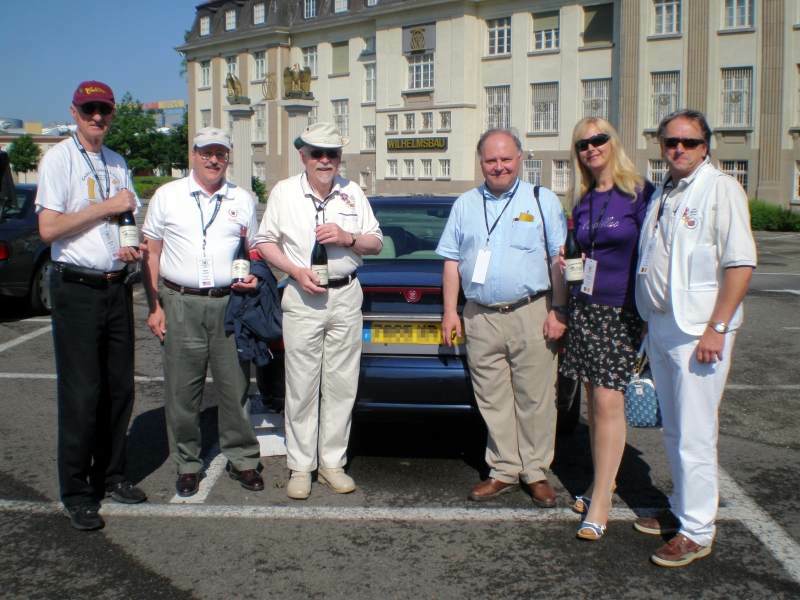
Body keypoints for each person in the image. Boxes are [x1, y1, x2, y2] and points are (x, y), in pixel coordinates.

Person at [634, 109, 756, 567]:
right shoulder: (664, 191)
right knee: (674, 428)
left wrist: (717, 327)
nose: (678, 149)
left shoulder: (720, 189)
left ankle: (698, 530)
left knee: (697, 432)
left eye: (688, 142)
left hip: (699, 330)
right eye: (670, 142)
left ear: (705, 147)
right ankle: (682, 509)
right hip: (663, 324)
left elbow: (740, 264)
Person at [36, 80, 147, 531]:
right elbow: (48, 229)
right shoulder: (58, 159)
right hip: (76, 289)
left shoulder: (117, 162)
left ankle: (112, 474)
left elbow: (127, 219)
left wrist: (130, 248)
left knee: (119, 389)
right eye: (89, 110)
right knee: (82, 395)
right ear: (75, 112)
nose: (97, 117)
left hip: (116, 286)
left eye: (103, 110)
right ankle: (78, 490)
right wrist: (105, 207)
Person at [437, 128, 567, 507]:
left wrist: (560, 310)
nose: (499, 167)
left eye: (506, 159)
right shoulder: (464, 204)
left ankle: (536, 471)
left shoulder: (542, 201)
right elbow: (450, 261)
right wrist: (450, 310)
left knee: (535, 397)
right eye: (491, 160)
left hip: (532, 312)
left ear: (520, 158)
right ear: (481, 163)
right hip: (480, 317)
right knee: (492, 398)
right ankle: (504, 469)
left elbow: (557, 261)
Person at [255, 122, 382, 500]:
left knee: (342, 386)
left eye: (332, 154)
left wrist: (349, 238)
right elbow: (264, 242)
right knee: (301, 386)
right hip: (302, 295)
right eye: (317, 154)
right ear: (303, 156)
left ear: (340, 158)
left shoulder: (352, 192)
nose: (325, 161)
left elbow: (376, 241)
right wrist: (294, 270)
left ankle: (332, 463)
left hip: (345, 295)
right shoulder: (284, 192)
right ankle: (300, 465)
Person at [142, 127, 263, 498]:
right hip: (180, 302)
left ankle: (242, 458)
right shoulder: (168, 196)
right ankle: (188, 463)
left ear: (229, 157)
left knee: (236, 387)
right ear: (193, 154)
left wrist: (255, 277)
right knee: (182, 390)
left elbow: (253, 250)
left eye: (221, 153)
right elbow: (152, 253)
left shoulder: (243, 198)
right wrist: (154, 306)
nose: (213, 159)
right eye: (206, 152)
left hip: (229, 304)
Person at [559, 118, 654, 540]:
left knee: (607, 401)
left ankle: (600, 500)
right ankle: (605, 480)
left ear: (613, 142)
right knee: (594, 403)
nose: (591, 148)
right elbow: (579, 253)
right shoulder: (582, 200)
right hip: (585, 309)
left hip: (621, 311)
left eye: (599, 140)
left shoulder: (639, 193)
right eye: (583, 144)